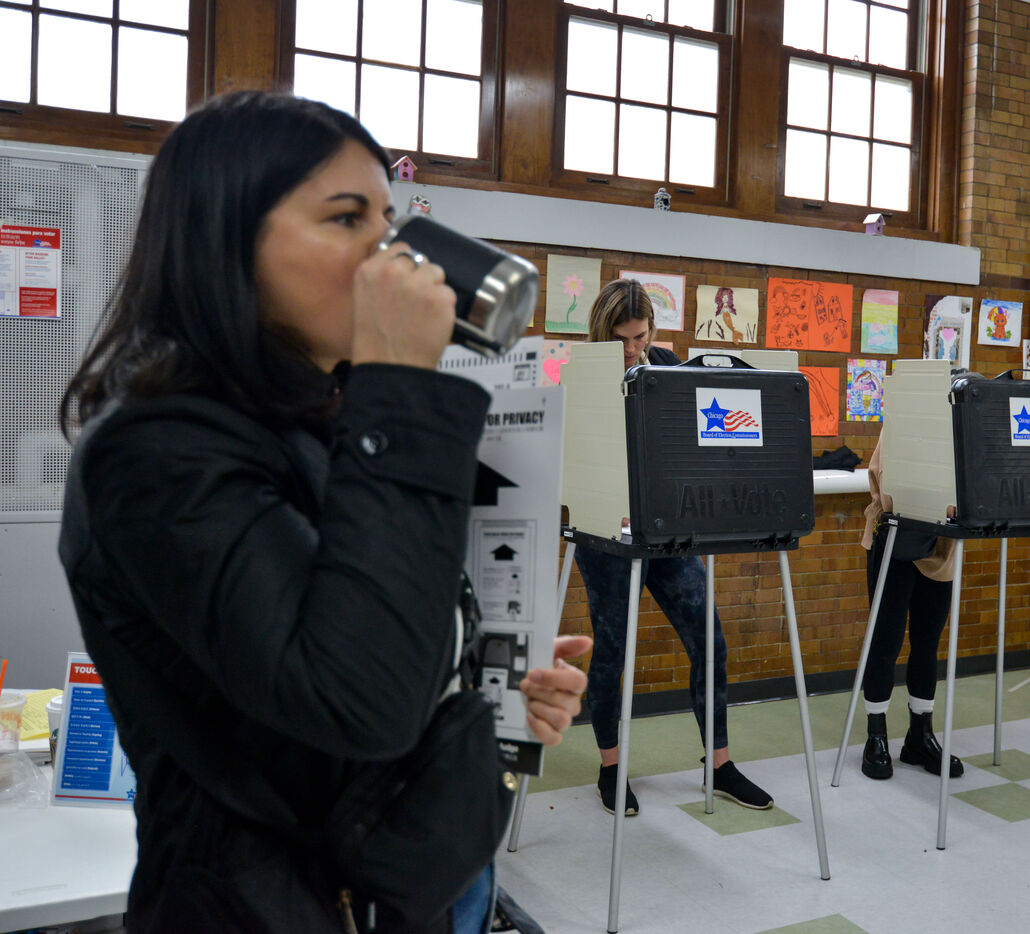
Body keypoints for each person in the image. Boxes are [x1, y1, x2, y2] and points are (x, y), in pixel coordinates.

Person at [56, 91, 590, 934]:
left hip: (401, 881)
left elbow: (359, 612)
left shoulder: (320, 414)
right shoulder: (157, 452)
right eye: (346, 219)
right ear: (225, 237)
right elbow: (356, 700)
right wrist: (403, 387)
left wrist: (472, 675)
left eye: (390, 221)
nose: (394, 257)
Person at [572, 278, 773, 815]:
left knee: (710, 641)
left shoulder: (666, 366)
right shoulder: (584, 375)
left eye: (639, 336)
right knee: (611, 653)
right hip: (605, 536)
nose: (632, 348)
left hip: (666, 534)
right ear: (601, 334)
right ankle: (610, 768)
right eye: (621, 339)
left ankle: (720, 764)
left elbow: (692, 444)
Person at [858, 429, 964, 780]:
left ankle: (920, 735)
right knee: (885, 641)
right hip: (895, 536)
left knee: (927, 642)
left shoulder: (962, 420)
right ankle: (876, 736)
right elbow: (881, 477)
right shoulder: (905, 416)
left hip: (941, 543)